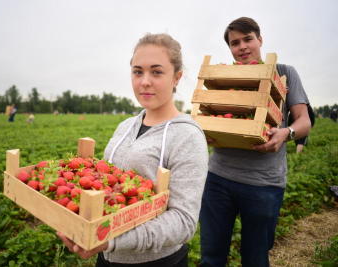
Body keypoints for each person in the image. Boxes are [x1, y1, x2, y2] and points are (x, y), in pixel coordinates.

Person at [57, 33, 209, 267]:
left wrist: (112, 241)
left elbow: (184, 222)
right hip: (106, 256)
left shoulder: (188, 137)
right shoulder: (125, 126)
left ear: (177, 77)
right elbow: (107, 185)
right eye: (138, 72)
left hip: (157, 261)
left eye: (156, 72)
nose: (144, 81)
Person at [199, 17, 311, 267]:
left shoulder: (284, 72)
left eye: (248, 39)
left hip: (263, 184)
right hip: (217, 179)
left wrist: (286, 133)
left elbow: (304, 121)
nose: (242, 47)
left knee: (255, 258)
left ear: (260, 40)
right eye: (235, 43)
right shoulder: (225, 77)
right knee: (211, 257)